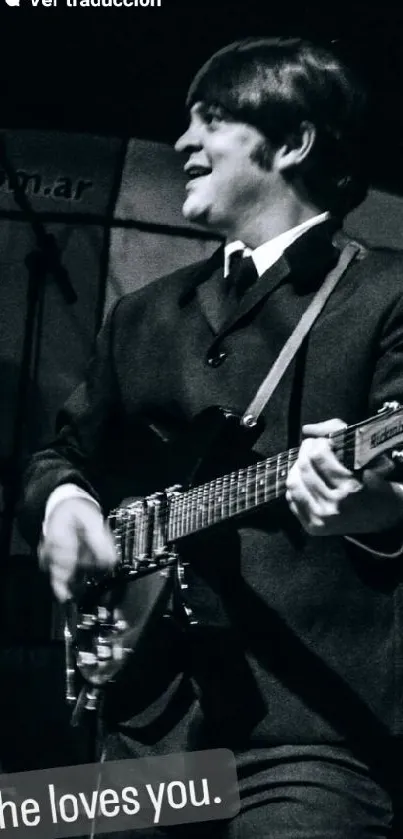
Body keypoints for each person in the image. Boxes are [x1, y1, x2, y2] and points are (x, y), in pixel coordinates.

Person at [19, 37, 403, 837]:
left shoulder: (387, 293)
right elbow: (62, 454)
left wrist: (371, 507)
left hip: (316, 745)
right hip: (142, 725)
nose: (183, 144)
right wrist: (62, 505)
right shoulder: (142, 313)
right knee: (22, 819)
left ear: (292, 141)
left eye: (212, 122)